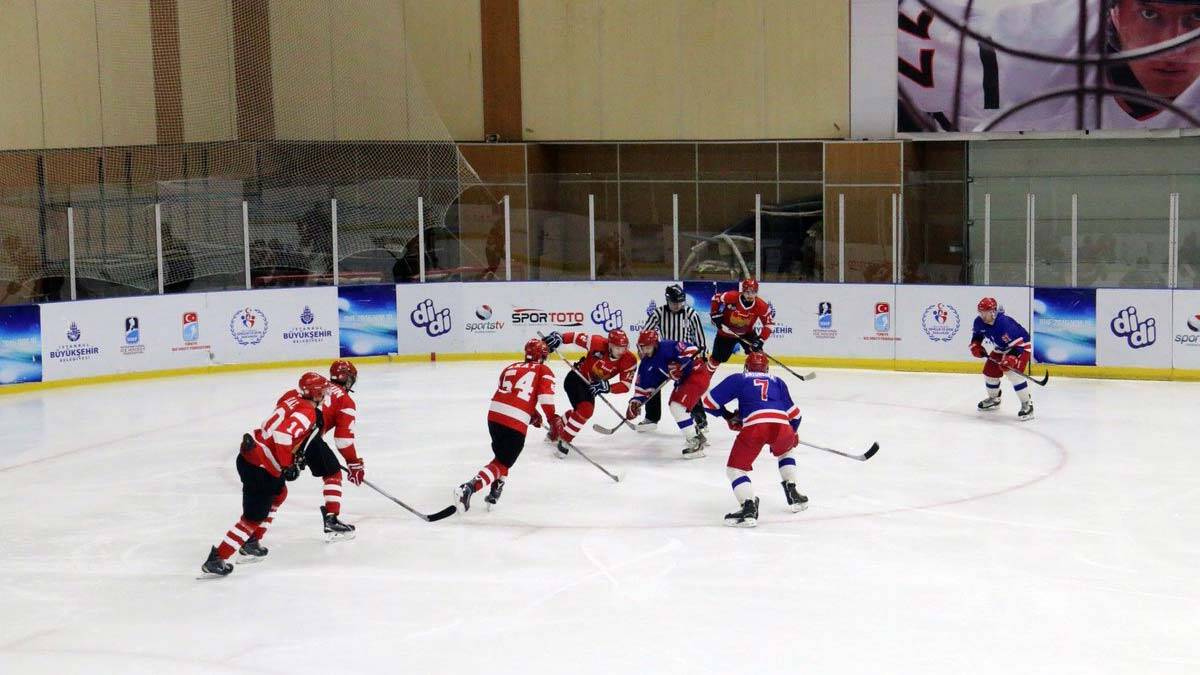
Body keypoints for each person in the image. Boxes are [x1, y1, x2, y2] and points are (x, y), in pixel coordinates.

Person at [898, 0, 1200, 132]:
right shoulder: (1017, 39)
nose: (1173, 43)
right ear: (1115, 14)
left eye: (1196, 17)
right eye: (1149, 14)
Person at [201, 372, 329, 576]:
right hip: (261, 467)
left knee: (280, 493)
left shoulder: (290, 395)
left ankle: (252, 540)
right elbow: (283, 434)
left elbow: (281, 423)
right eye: (322, 392)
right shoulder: (308, 413)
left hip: (252, 454)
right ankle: (217, 559)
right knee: (252, 518)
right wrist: (288, 464)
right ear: (314, 394)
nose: (324, 395)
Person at [454, 339, 563, 511]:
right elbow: (545, 398)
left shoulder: (510, 367)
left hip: (494, 416)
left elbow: (511, 393)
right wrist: (552, 419)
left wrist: (532, 414)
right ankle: (468, 488)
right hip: (514, 421)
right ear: (542, 356)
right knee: (503, 463)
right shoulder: (544, 369)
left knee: (501, 458)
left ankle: (496, 488)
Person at [702, 352, 806, 527]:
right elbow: (796, 416)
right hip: (782, 425)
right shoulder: (777, 381)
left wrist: (727, 416)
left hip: (755, 427)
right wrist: (792, 433)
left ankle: (748, 507)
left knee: (735, 470)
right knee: (786, 451)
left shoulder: (739, 378)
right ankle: (793, 491)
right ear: (766, 369)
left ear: (747, 367)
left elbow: (708, 403)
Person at [541, 329, 636, 456]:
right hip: (576, 378)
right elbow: (575, 337)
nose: (621, 351)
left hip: (591, 386)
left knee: (581, 412)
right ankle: (564, 440)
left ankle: (557, 426)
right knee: (585, 410)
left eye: (624, 348)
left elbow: (625, 385)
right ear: (609, 345)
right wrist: (559, 337)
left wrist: (607, 387)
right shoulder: (597, 342)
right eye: (617, 348)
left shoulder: (629, 359)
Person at [302, 360, 364, 540]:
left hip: (290, 433)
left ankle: (251, 536)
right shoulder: (345, 400)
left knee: (273, 488)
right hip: (309, 437)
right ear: (349, 379)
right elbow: (343, 440)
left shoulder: (318, 387)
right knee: (333, 473)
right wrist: (354, 463)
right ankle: (332, 519)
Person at [626, 329, 709, 458]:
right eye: (642, 347)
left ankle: (695, 441)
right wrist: (635, 403)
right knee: (674, 406)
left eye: (648, 347)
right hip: (683, 382)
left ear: (655, 344)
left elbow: (692, 349)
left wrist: (680, 364)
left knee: (677, 407)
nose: (645, 350)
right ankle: (696, 434)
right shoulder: (646, 364)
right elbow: (643, 388)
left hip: (696, 374)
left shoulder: (668, 346)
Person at [639, 283, 708, 432]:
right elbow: (645, 332)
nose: (677, 305)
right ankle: (651, 418)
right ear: (667, 300)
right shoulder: (659, 313)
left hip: (685, 358)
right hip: (664, 357)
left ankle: (700, 421)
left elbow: (700, 338)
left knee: (689, 387)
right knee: (653, 384)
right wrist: (643, 350)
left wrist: (701, 356)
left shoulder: (691, 314)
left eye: (680, 302)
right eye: (673, 302)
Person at [970, 297, 1034, 421]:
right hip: (1001, 347)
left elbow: (1019, 343)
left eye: (985, 312)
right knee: (990, 372)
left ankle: (1027, 404)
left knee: (1013, 374)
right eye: (980, 312)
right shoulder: (978, 322)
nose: (982, 315)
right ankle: (994, 399)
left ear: (993, 311)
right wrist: (975, 345)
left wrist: (1011, 359)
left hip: (1020, 346)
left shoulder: (1004, 324)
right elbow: (977, 335)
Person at [709, 278, 773, 365]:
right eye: (748, 292)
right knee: (716, 359)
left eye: (753, 292)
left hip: (747, 334)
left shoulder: (761, 306)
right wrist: (714, 313)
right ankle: (705, 377)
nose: (750, 295)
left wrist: (761, 340)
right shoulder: (732, 296)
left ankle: (752, 377)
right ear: (743, 291)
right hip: (725, 333)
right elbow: (715, 298)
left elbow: (769, 324)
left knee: (757, 358)